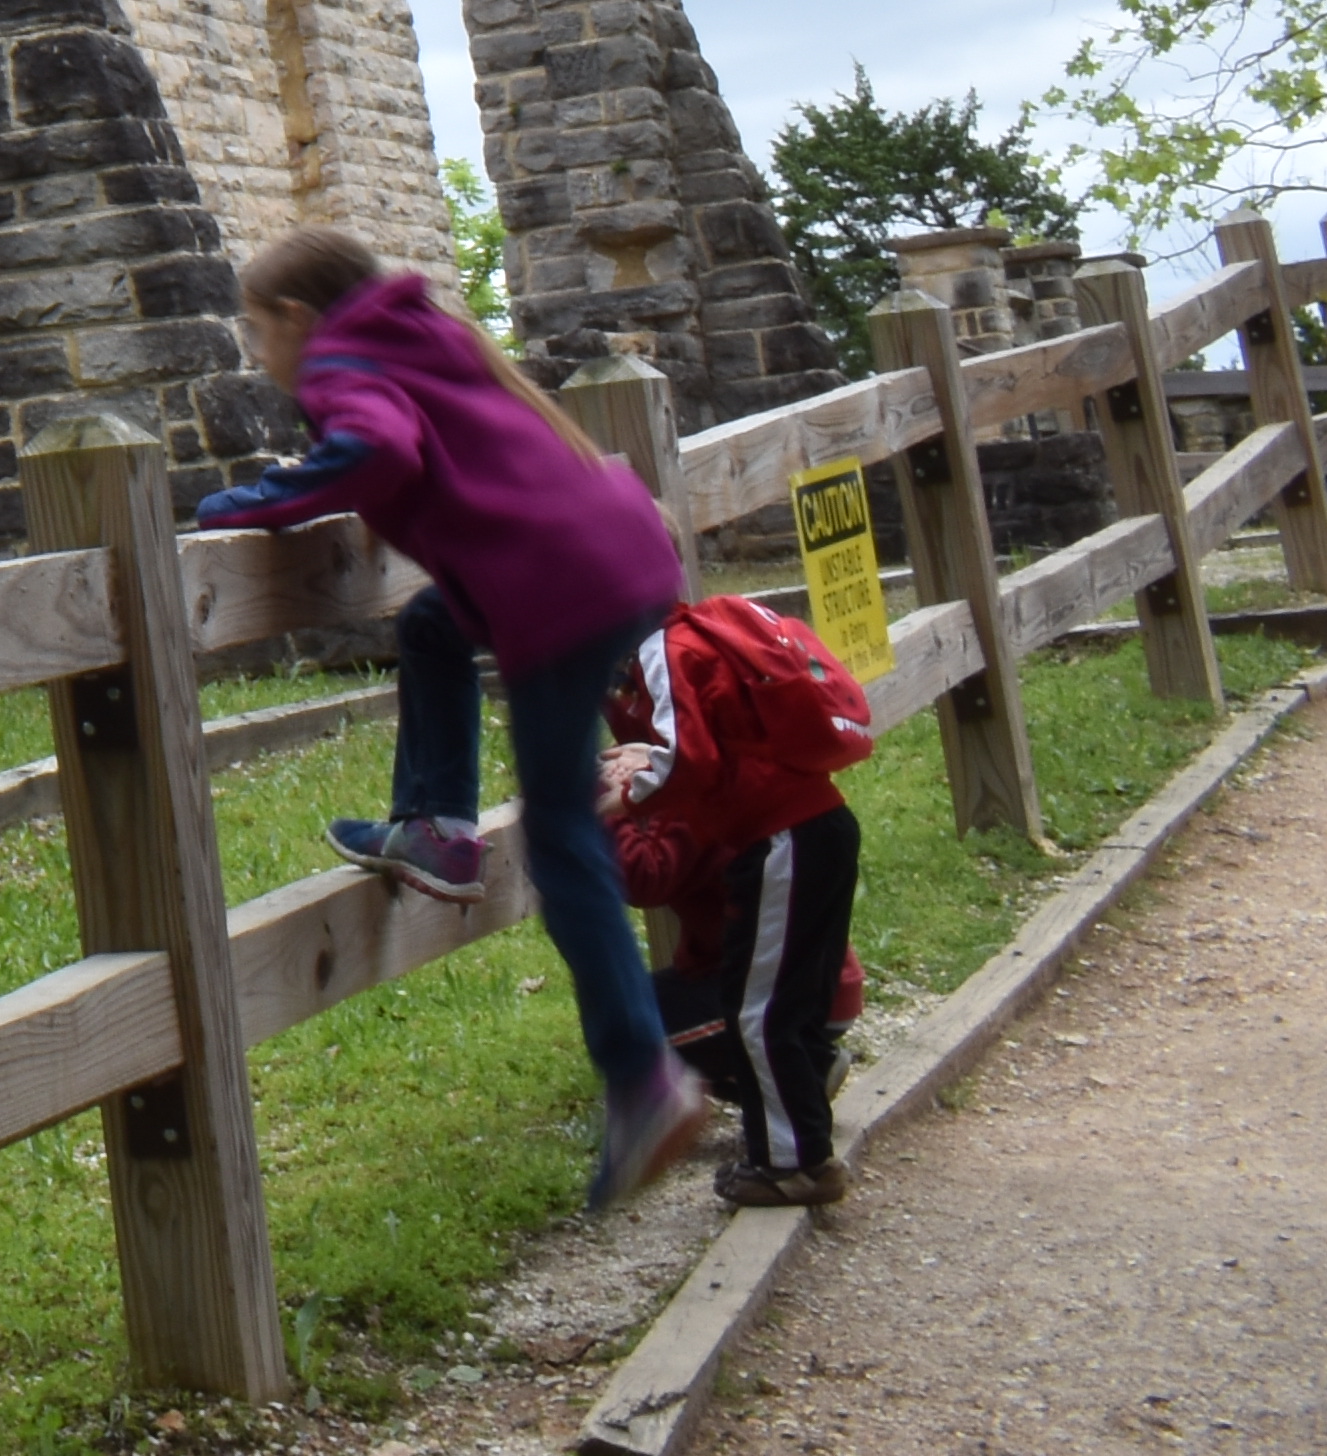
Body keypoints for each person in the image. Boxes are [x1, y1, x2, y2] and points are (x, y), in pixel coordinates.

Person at [191, 221, 708, 1206]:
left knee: (563, 840)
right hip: (623, 550)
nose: (260, 357)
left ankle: (643, 1078)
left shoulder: (346, 362)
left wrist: (256, 500)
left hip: (561, 589)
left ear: (300, 319)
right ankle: (435, 827)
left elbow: (377, 451)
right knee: (431, 623)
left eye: (259, 333)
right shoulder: (427, 333)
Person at [600, 593, 877, 1208]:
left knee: (761, 1013)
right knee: (786, 1007)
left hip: (780, 840)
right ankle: (792, 1144)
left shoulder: (663, 650)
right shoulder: (710, 630)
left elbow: (688, 759)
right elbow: (713, 738)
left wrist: (619, 799)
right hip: (819, 827)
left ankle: (792, 1165)